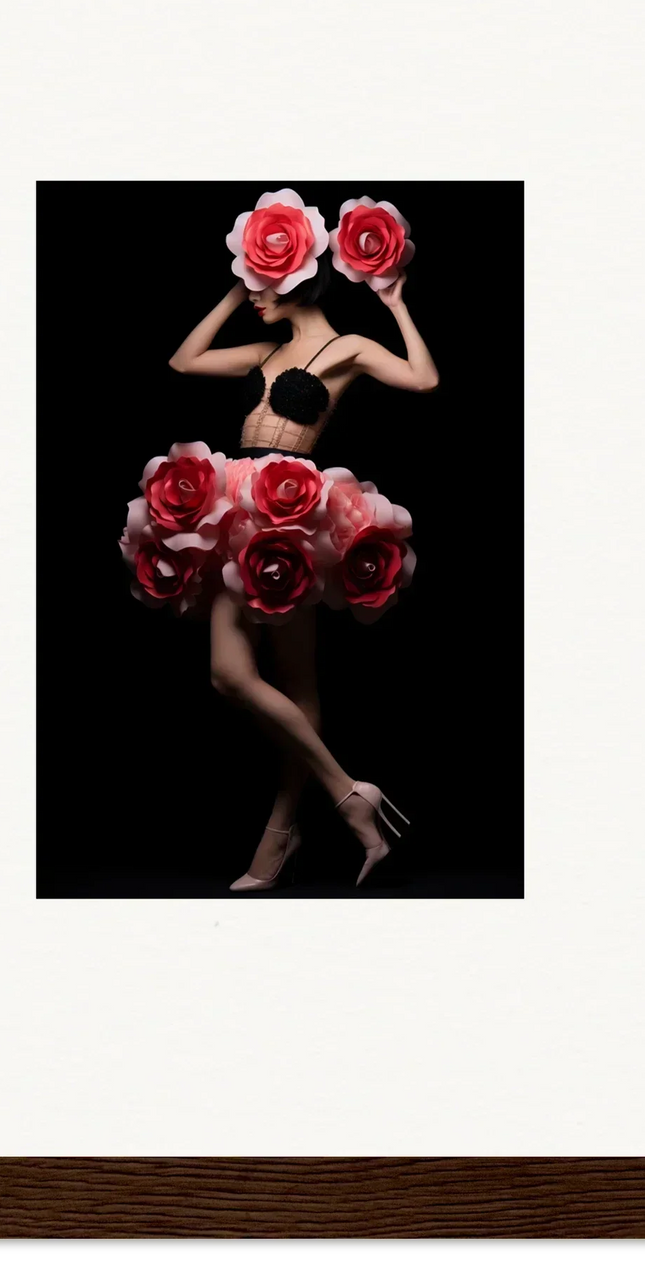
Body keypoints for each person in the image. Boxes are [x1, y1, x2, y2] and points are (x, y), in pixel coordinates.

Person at [165, 239, 440, 892]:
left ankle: (279, 837)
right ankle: (349, 794)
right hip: (240, 501)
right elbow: (183, 359)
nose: (252, 296)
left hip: (295, 510)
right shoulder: (264, 351)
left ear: (300, 282)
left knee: (293, 678)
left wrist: (395, 306)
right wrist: (237, 291)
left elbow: (424, 378)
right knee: (231, 674)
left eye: (260, 283)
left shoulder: (347, 348)